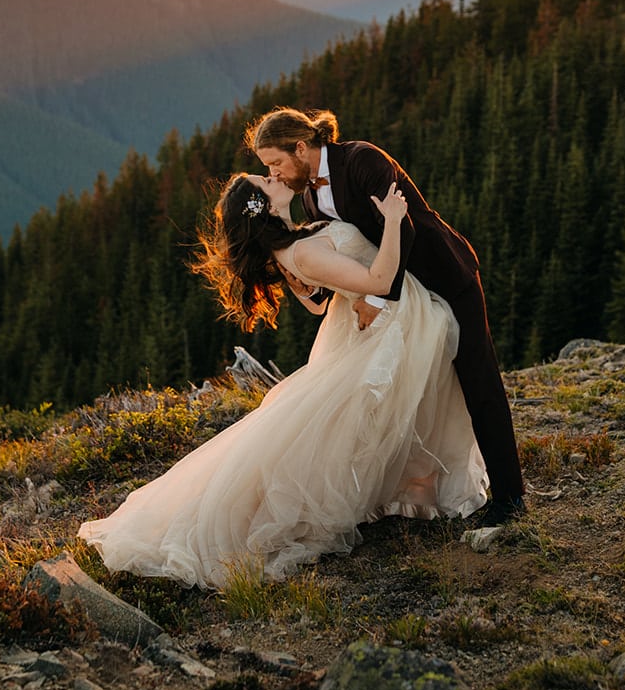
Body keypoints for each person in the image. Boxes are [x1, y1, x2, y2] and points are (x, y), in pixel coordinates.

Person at [77, 172, 487, 588]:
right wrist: (396, 221)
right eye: (265, 178)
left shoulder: (293, 243)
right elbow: (380, 282)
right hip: (391, 322)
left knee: (360, 424)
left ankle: (406, 487)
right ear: (264, 204)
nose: (274, 175)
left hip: (366, 325)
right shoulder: (301, 252)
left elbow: (316, 302)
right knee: (358, 424)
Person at [246, 107, 527, 525]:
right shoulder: (307, 196)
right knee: (408, 393)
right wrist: (311, 285)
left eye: (276, 163)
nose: (276, 173)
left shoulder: (362, 160)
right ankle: (412, 495)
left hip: (444, 277)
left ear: (300, 147)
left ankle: (509, 496)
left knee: (478, 381)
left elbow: (405, 226)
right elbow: (348, 251)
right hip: (401, 299)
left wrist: (379, 300)